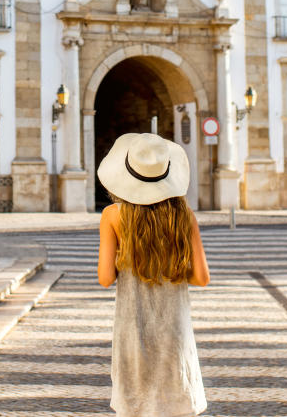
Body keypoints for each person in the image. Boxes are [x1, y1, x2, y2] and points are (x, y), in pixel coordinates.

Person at [97, 133, 210, 417]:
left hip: (132, 329)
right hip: (174, 329)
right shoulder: (184, 215)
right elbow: (201, 278)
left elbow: (105, 277)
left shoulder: (112, 216)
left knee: (136, 405)